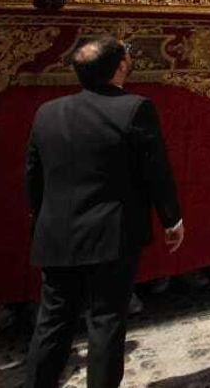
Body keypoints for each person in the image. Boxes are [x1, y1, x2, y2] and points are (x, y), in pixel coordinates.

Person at [23, 37, 183, 388]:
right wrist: (171, 218)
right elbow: (155, 170)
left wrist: (43, 218)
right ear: (121, 66)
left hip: (56, 231)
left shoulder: (48, 112)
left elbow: (33, 176)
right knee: (107, 322)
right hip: (111, 233)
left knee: (52, 322)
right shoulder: (134, 108)